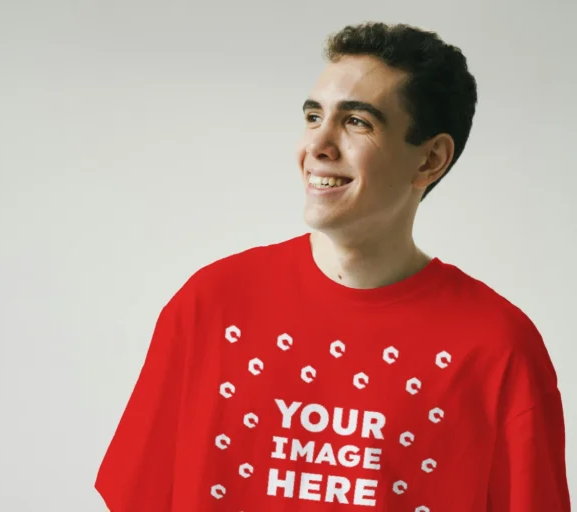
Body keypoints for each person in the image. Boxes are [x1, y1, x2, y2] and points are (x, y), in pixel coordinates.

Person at [95, 21, 571, 511]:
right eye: (312, 116)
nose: (317, 147)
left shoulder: (497, 347)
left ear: (430, 159)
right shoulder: (211, 305)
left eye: (357, 122)